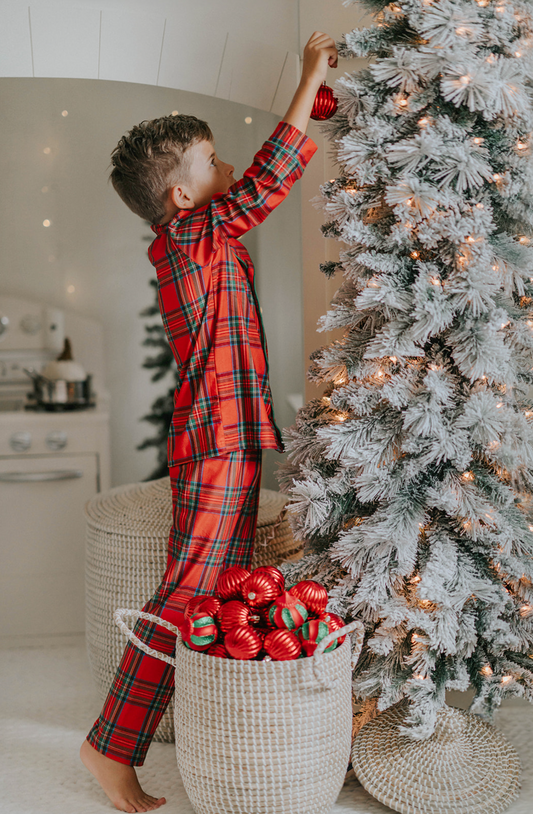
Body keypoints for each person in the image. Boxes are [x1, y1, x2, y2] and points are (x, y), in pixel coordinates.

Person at [80, 30, 338, 814]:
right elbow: (268, 182)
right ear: (182, 197)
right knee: (188, 595)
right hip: (217, 441)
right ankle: (110, 745)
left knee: (213, 594)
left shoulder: (193, 238)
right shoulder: (191, 237)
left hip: (228, 436)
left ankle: (194, 732)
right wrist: (310, 76)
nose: (226, 167)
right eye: (210, 160)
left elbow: (251, 185)